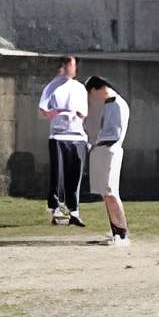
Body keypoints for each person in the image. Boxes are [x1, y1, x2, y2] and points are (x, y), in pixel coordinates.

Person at [37, 56, 89, 227]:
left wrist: (75, 114)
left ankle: (74, 211)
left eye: (75, 65)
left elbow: (84, 113)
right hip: (58, 136)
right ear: (64, 66)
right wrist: (57, 112)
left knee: (75, 175)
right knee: (58, 175)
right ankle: (57, 209)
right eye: (72, 65)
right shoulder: (51, 87)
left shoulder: (80, 88)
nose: (74, 69)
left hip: (77, 137)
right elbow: (42, 111)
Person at [85, 75, 133, 245]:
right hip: (104, 150)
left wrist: (95, 142)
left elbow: (114, 134)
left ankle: (122, 234)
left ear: (97, 89)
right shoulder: (110, 104)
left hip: (110, 151)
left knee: (111, 194)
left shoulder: (118, 104)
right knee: (106, 194)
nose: (92, 99)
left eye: (91, 94)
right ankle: (116, 230)